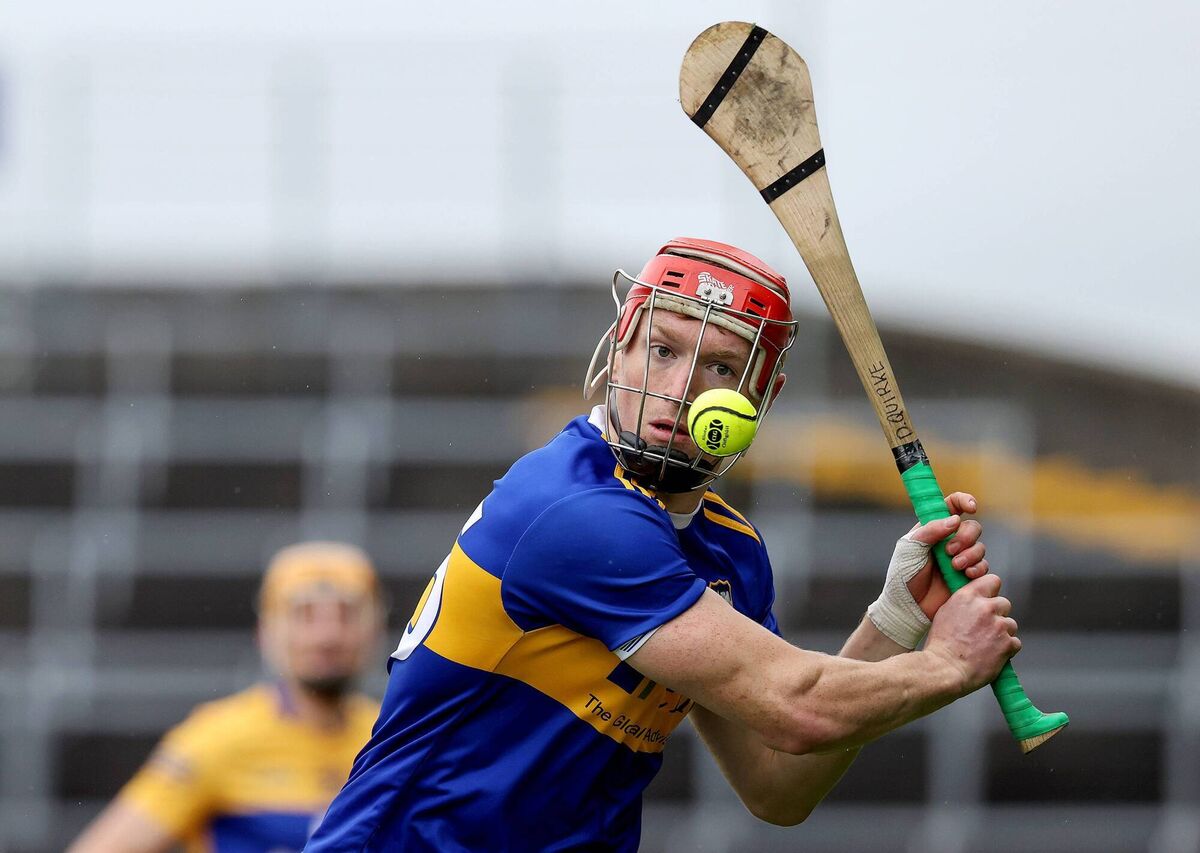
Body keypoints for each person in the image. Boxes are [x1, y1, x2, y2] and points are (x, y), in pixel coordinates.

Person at [306, 238, 1019, 852]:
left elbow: (777, 785)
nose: (680, 390)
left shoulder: (729, 552)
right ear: (619, 346)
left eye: (720, 367)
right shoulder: (574, 511)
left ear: (762, 393)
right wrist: (949, 666)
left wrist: (895, 620)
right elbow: (798, 709)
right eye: (663, 348)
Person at [68, 541, 385, 853]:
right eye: (304, 615)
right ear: (265, 632)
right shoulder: (217, 738)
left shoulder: (392, 736)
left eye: (347, 614)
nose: (326, 636)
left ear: (375, 629)